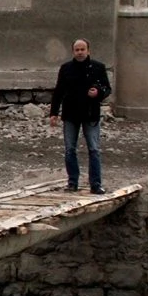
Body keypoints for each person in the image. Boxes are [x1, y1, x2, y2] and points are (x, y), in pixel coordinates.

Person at [49, 38, 111, 194]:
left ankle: (96, 184)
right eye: (77, 50)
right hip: (70, 114)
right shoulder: (66, 68)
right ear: (73, 52)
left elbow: (107, 88)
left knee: (94, 149)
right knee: (70, 149)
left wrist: (98, 92)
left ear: (88, 51)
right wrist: (54, 113)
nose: (80, 52)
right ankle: (72, 182)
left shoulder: (98, 67)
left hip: (91, 115)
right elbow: (58, 92)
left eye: (82, 49)